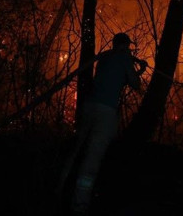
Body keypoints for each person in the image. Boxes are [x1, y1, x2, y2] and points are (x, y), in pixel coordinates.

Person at [56, 32, 148, 215]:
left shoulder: (105, 57)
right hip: (105, 112)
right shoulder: (124, 57)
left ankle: (58, 192)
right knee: (92, 158)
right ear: (126, 45)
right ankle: (79, 206)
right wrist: (141, 70)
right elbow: (134, 83)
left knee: (77, 150)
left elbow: (116, 80)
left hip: (89, 107)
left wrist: (135, 68)